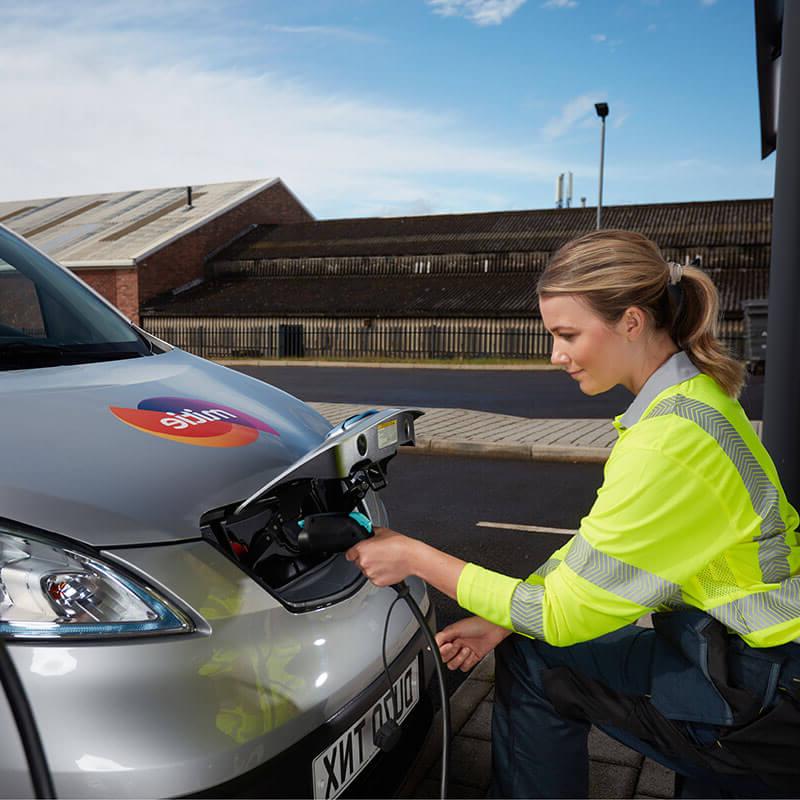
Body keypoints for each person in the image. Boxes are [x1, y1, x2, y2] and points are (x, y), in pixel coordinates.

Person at [345, 230, 800, 799]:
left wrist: (414, 555)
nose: (556, 355)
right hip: (761, 657)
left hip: (758, 690)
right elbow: (593, 555)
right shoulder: (696, 401)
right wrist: (504, 618)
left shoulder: (669, 440)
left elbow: (562, 617)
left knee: (539, 659)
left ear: (631, 322)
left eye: (567, 335)